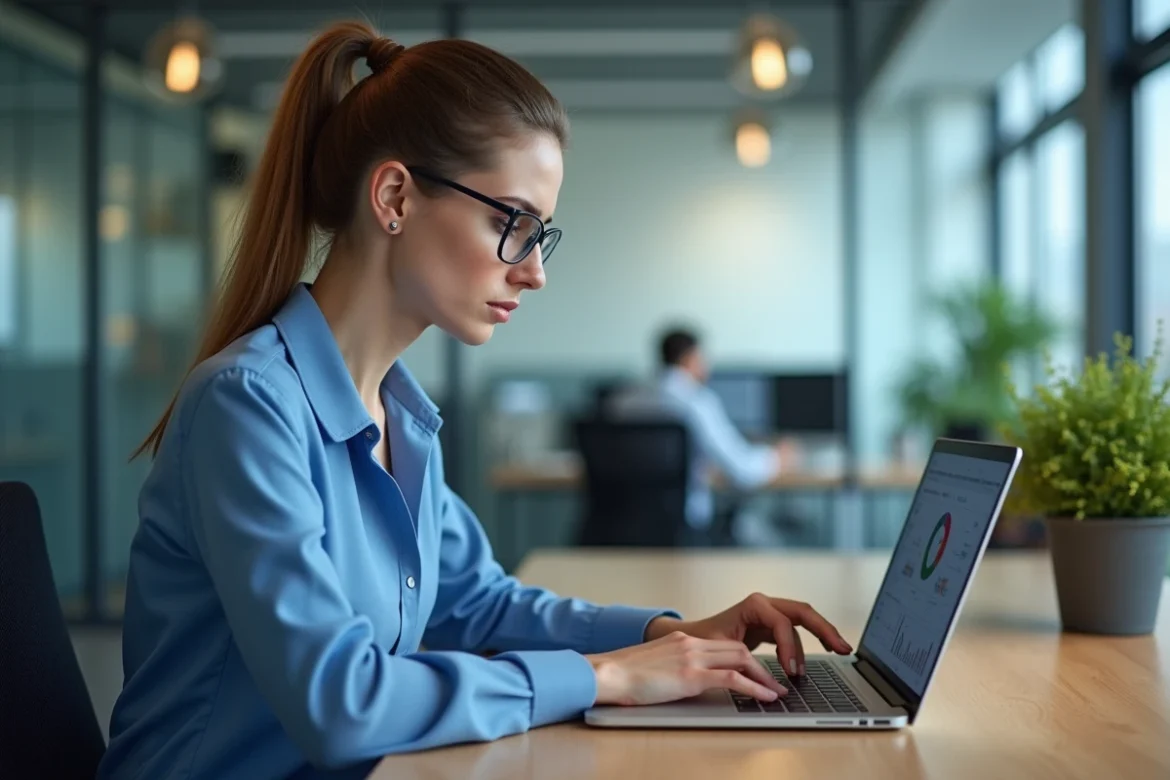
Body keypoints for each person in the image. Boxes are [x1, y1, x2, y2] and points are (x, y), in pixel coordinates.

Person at [97, 22, 851, 780]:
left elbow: (478, 605)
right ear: (394, 196)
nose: (533, 273)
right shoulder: (248, 405)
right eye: (510, 223)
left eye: (539, 235)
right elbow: (340, 703)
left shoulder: (403, 416)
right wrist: (608, 677)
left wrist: (669, 633)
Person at [610, 328, 799, 536]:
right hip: (681, 529)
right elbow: (741, 468)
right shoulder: (696, 402)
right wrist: (776, 458)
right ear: (689, 358)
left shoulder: (622, 401)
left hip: (616, 525)